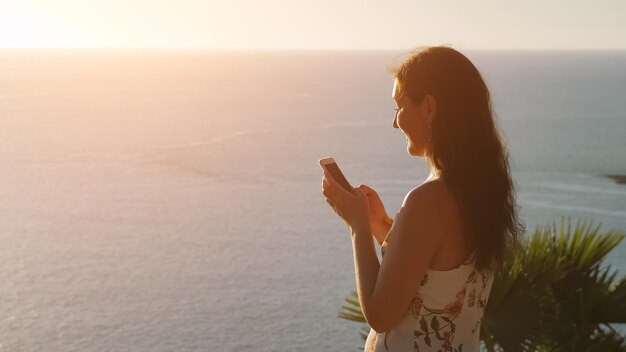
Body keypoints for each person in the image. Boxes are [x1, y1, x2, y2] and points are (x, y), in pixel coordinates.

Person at [321, 45, 525, 351]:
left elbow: (380, 315)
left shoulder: (428, 200)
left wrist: (358, 227)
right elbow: (437, 275)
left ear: (428, 107)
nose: (394, 123)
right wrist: (379, 225)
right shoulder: (479, 190)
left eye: (399, 107)